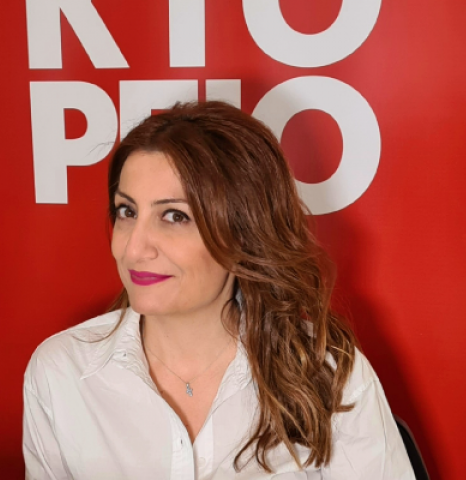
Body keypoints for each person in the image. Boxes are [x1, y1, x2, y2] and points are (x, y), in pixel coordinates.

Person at [23, 101, 415, 479]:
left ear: (244, 232)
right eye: (127, 212)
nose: (133, 249)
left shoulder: (325, 371)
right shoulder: (61, 372)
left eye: (174, 216)